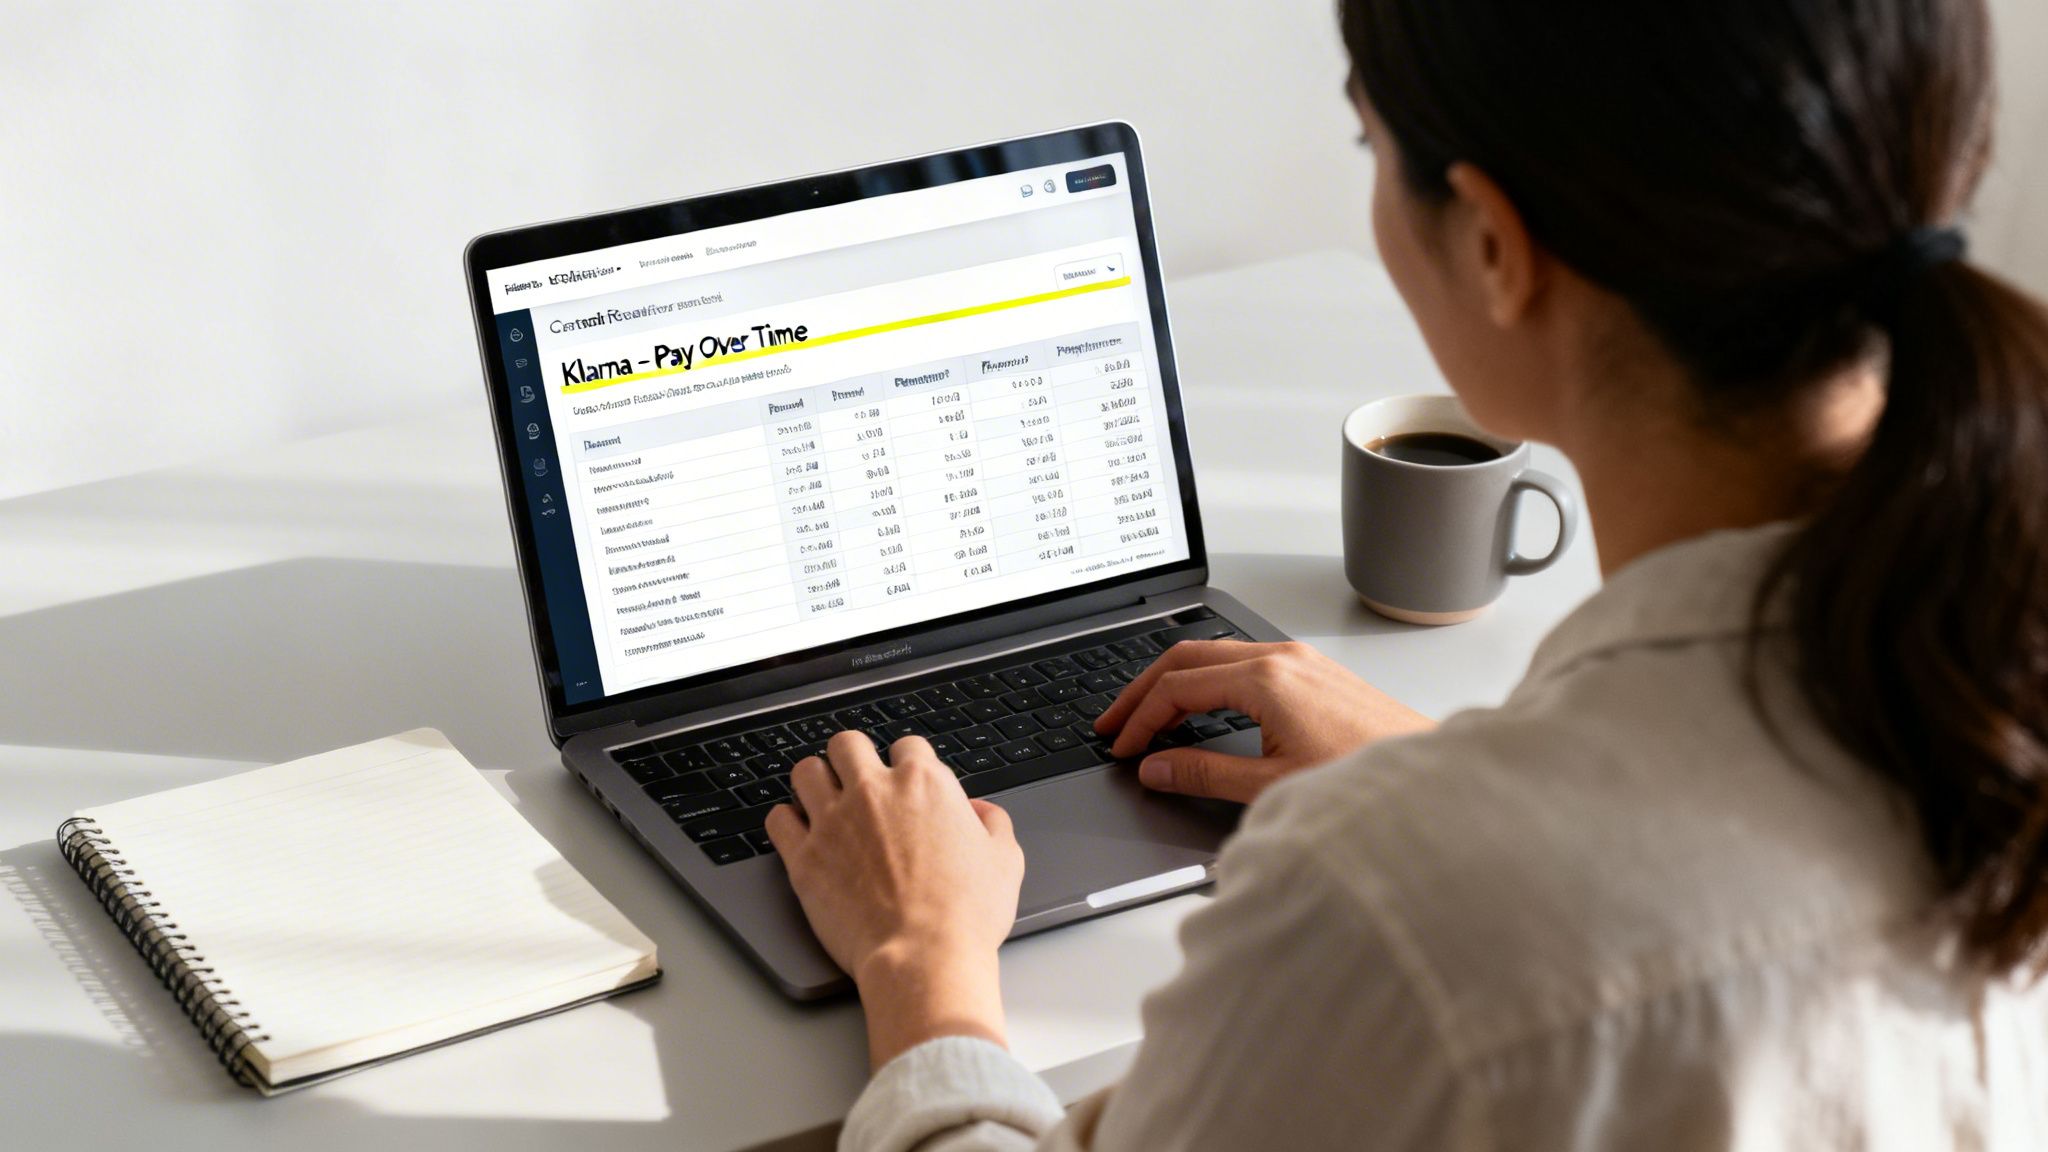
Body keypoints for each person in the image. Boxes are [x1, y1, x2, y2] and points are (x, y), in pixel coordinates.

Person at [766, 0, 2048, 1145]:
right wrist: (1437, 780)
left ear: (1493, 244)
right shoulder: (1991, 679)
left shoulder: (1389, 914)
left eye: (1369, 151)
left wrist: (920, 964)